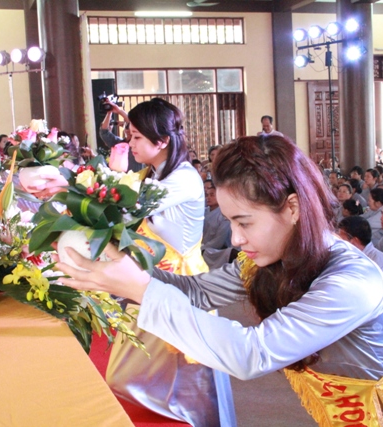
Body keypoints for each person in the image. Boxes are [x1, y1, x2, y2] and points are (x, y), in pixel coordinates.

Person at [55, 135, 383, 426]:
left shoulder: (350, 283)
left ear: (292, 208)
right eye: (230, 222)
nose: (235, 239)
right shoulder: (271, 261)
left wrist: (140, 288)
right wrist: (118, 268)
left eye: (245, 222)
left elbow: (251, 353)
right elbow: (197, 291)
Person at [107, 98, 234, 426]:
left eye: (136, 137)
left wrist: (114, 176)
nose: (130, 143)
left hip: (182, 284)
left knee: (191, 379)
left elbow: (129, 209)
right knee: (127, 373)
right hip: (154, 281)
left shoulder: (183, 178)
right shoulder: (152, 173)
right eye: (130, 135)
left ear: (162, 141)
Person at [338, 216, 383, 287]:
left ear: (354, 241)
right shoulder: (352, 257)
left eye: (342, 240)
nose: (339, 243)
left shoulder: (379, 264)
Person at [99, 99, 143, 172]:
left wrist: (119, 111)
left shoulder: (138, 143)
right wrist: (109, 113)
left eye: (129, 126)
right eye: (126, 126)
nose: (128, 129)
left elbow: (135, 124)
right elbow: (104, 132)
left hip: (136, 177)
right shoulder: (118, 144)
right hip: (119, 178)